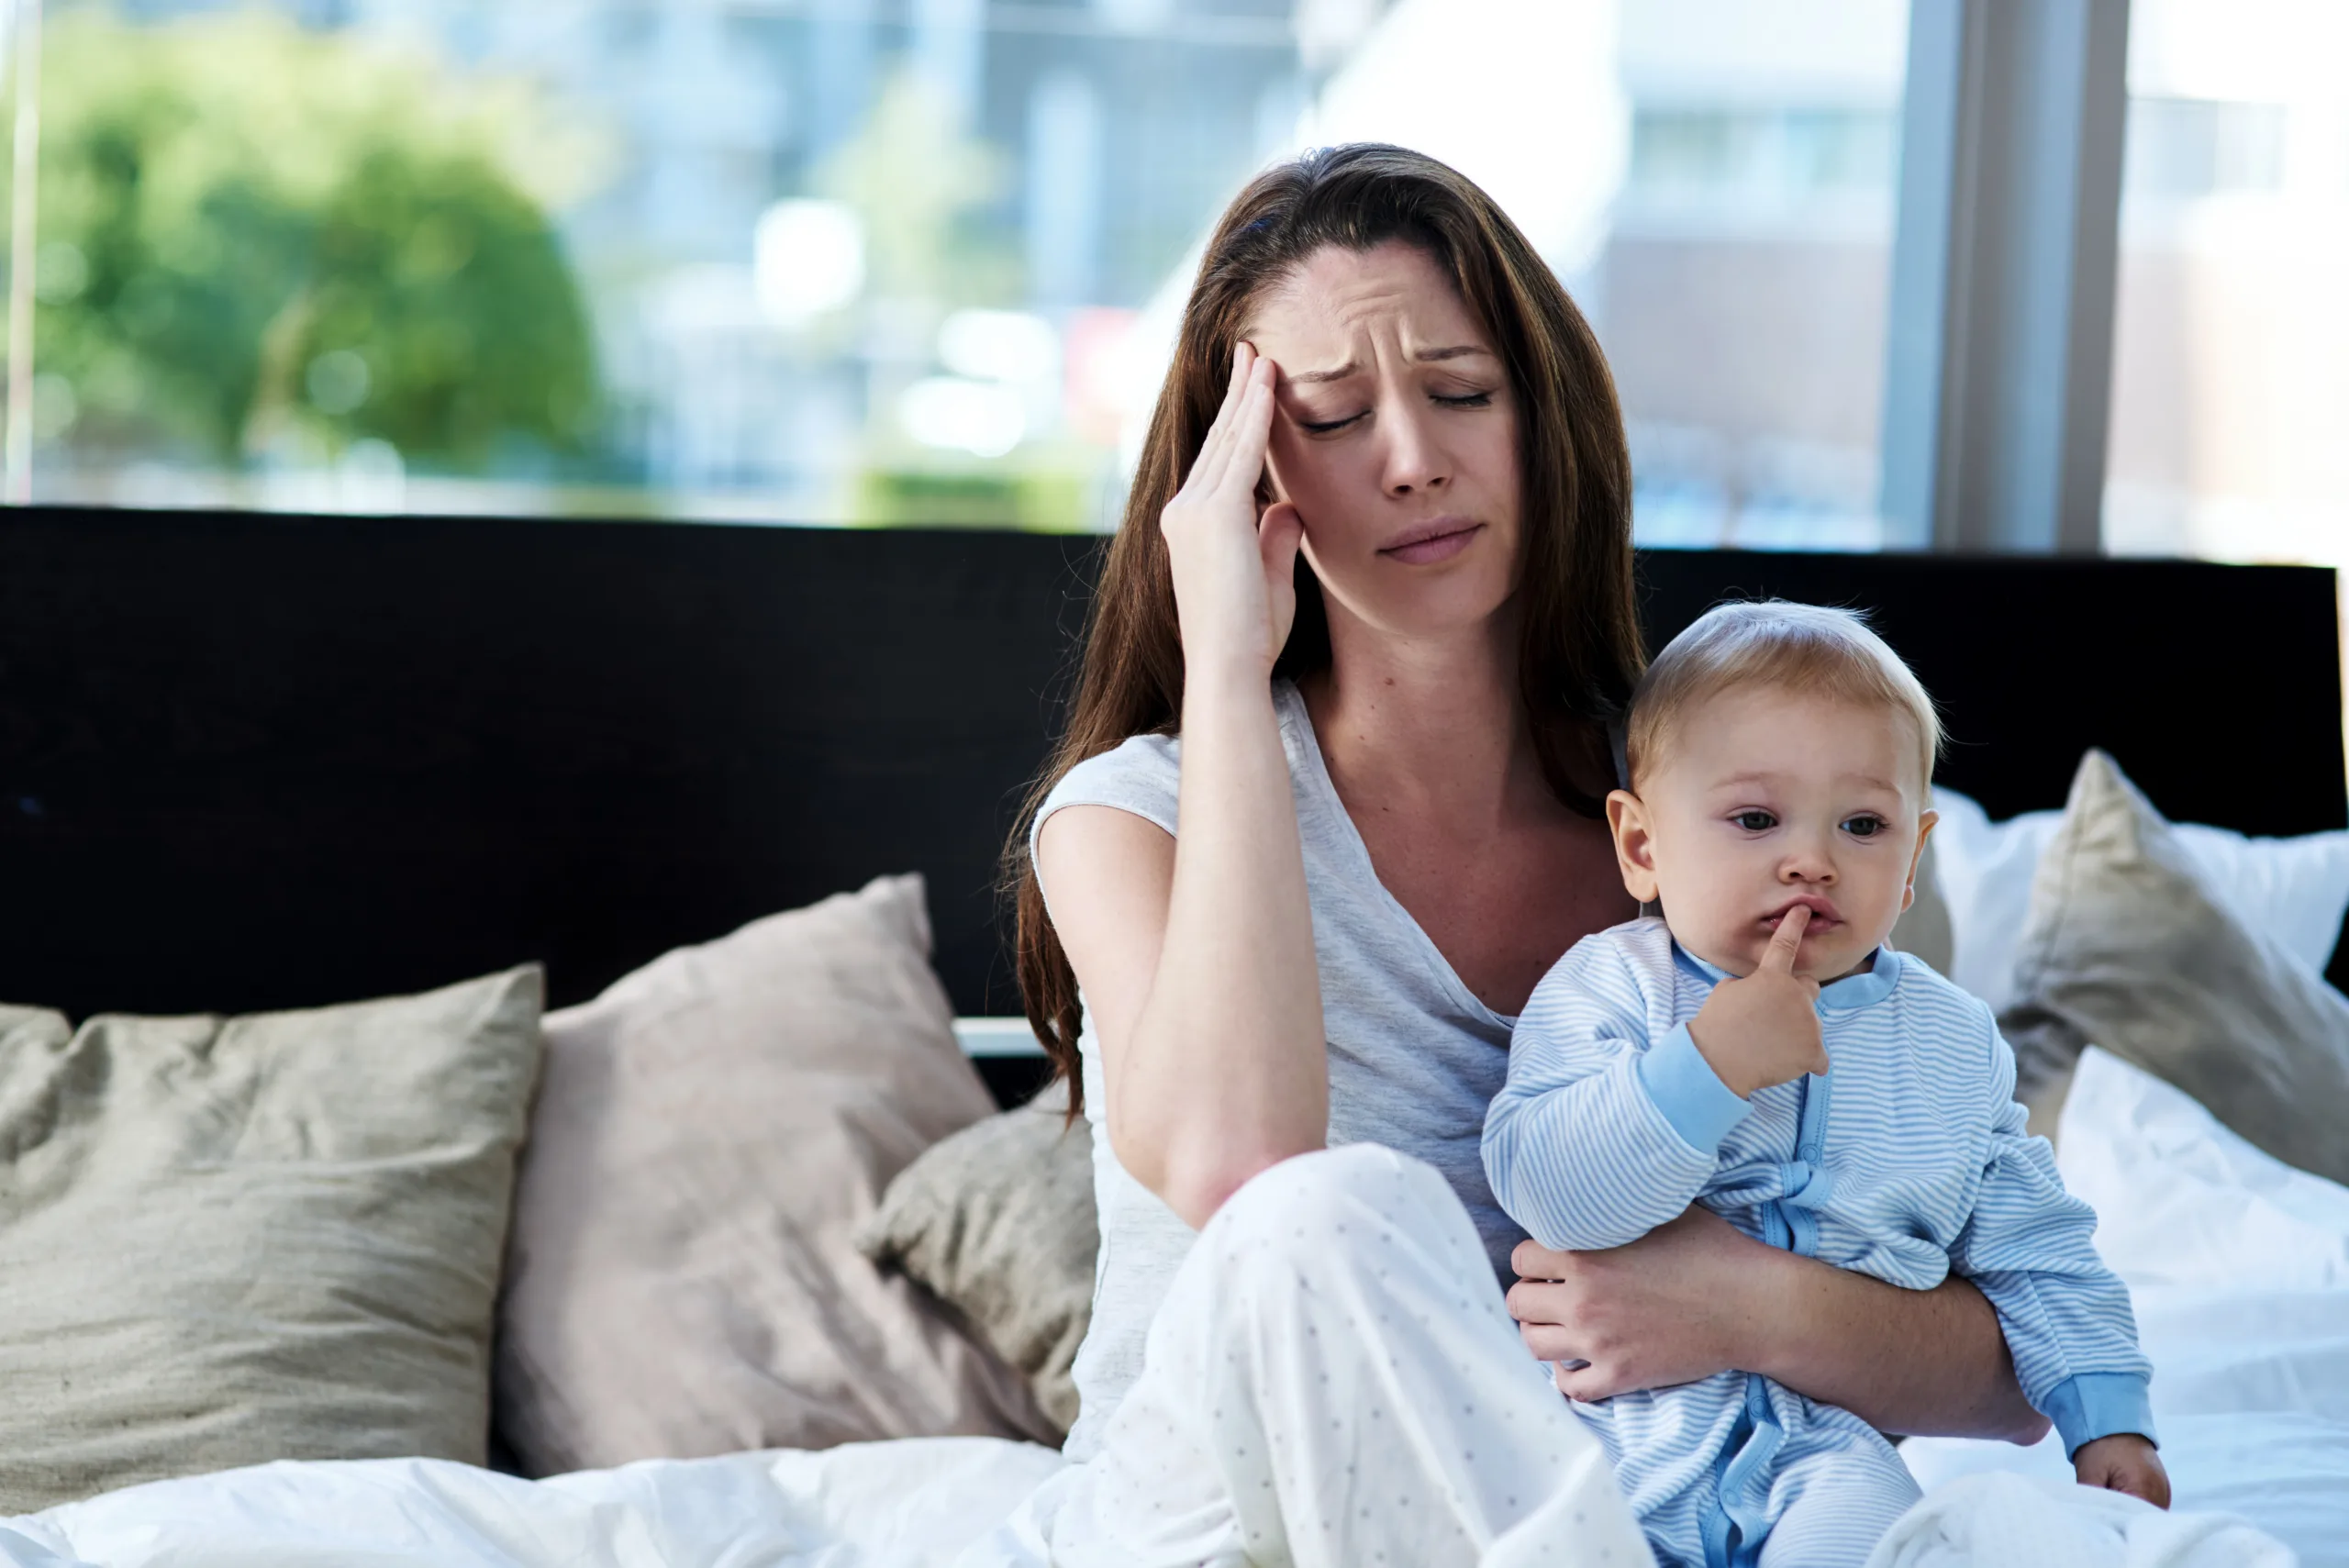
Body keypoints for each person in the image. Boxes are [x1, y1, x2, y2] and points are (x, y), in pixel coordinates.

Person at [966, 143, 2051, 1568]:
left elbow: (2018, 1361)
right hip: (1224, 1522)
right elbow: (1245, 1172)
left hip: (1610, 1508)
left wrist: (1740, 1309)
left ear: (1544, 420)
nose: (1414, 458)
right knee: (1331, 1211)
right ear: (1245, 475)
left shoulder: (1734, 831)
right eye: (1338, 416)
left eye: (1463, 393)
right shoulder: (1132, 817)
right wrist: (1226, 665)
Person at [1482, 602, 2168, 1568]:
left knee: (1878, 1530)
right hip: (1606, 1436)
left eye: (1862, 822)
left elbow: (2038, 1247)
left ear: (1912, 862)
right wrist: (1706, 1064)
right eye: (1755, 818)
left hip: (1826, 1450)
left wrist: (2108, 1419)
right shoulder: (1613, 987)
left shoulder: (1948, 1039)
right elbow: (1548, 1189)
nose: (1812, 858)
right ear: (1641, 846)